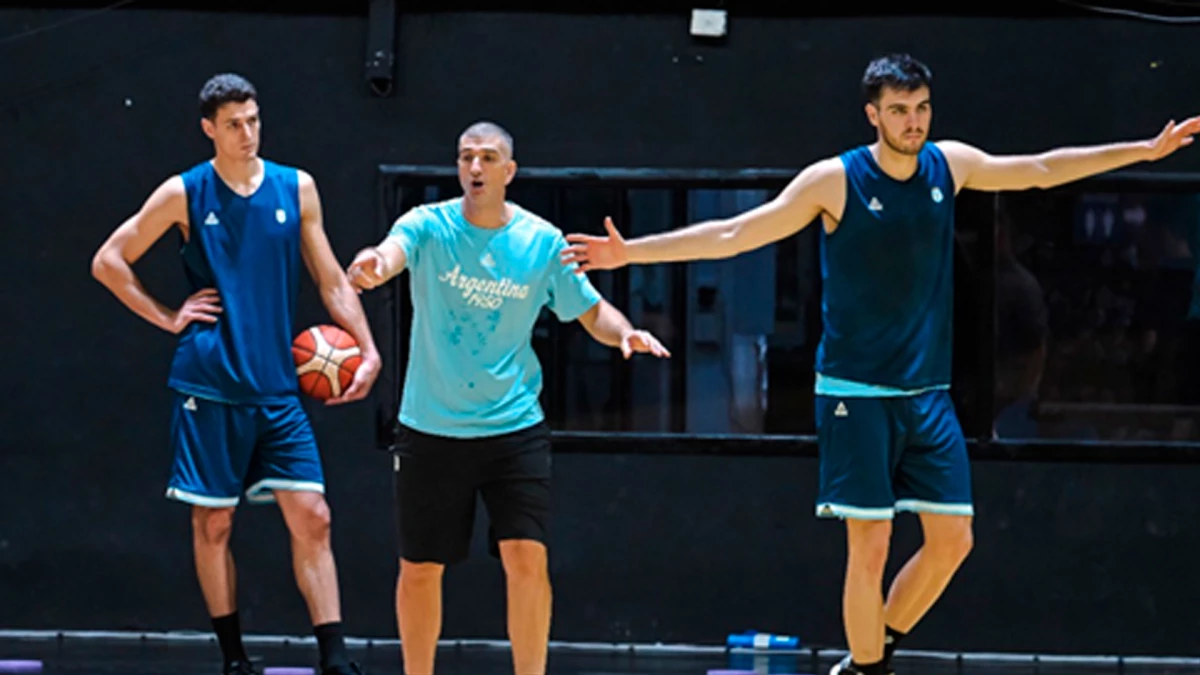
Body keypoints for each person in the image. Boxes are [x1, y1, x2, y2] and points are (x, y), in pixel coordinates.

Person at [559, 53, 1200, 675]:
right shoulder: (835, 180)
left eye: (921, 109)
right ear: (874, 115)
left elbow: (1037, 168)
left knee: (953, 542)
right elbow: (735, 233)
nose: (914, 122)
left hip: (928, 394)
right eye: (900, 111)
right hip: (855, 393)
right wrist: (631, 254)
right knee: (869, 551)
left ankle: (873, 649)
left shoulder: (949, 164)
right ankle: (868, 666)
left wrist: (1142, 151)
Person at [346, 120, 670, 675]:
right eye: (467, 157)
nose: (475, 167)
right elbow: (391, 251)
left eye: (488, 158)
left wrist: (625, 333)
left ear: (509, 172)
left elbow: (590, 310)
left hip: (513, 427)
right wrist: (374, 264)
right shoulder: (428, 225)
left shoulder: (540, 241)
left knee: (527, 559)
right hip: (431, 427)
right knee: (421, 567)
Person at [90, 73, 381, 675]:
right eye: (233, 124)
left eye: (253, 120)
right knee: (215, 521)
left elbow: (330, 279)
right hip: (210, 382)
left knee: (314, 515)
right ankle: (233, 659)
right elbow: (108, 261)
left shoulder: (296, 187)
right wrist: (169, 317)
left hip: (278, 384)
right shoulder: (184, 193)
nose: (247, 133)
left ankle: (335, 658)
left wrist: (368, 348)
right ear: (208, 130)